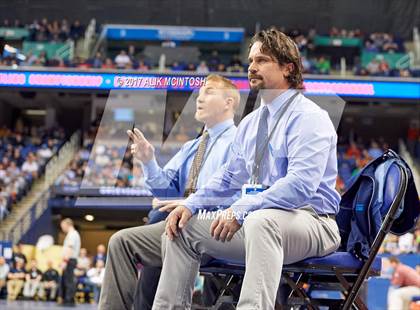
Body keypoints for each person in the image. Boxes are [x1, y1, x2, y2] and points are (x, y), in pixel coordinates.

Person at [99, 74, 241, 310]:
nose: (200, 97)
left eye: (209, 91)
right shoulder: (192, 146)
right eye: (199, 92)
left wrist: (192, 204)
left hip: (214, 226)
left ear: (229, 102)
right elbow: (166, 189)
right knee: (121, 242)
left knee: (163, 232)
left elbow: (238, 195)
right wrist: (148, 161)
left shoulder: (239, 141)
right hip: (181, 222)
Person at [59, 218, 81, 306]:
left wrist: (65, 261)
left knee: (69, 281)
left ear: (67, 225)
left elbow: (70, 248)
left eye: (62, 226)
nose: (62, 228)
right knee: (67, 280)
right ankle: (67, 299)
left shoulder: (72, 234)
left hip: (69, 260)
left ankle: (69, 300)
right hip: (69, 260)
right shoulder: (72, 234)